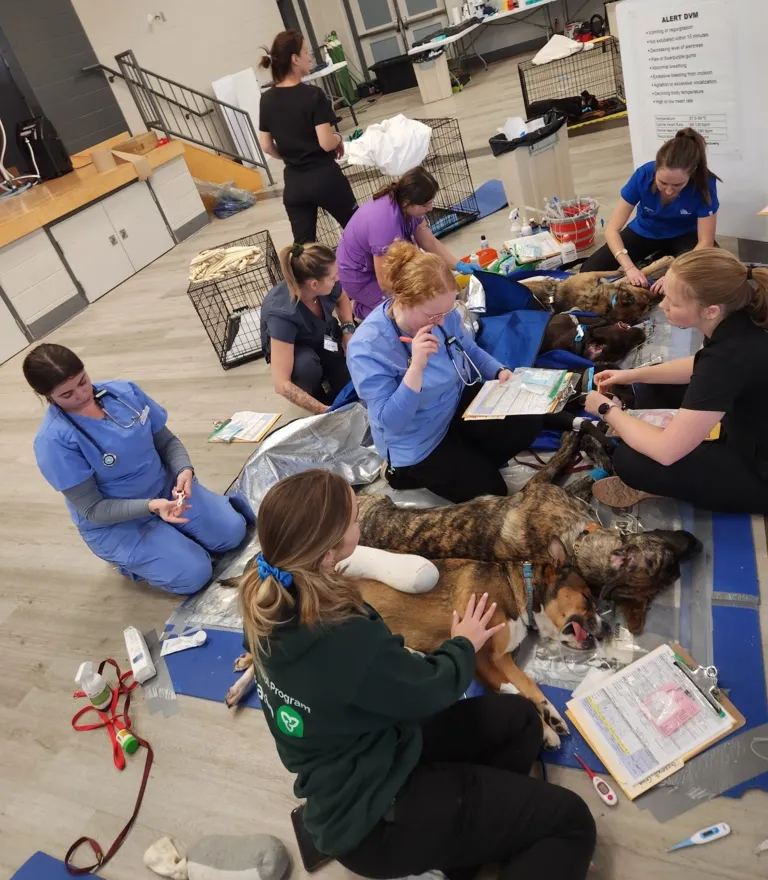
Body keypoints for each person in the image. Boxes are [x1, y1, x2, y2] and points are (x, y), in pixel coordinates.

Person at [240, 468, 596, 879]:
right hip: (376, 818)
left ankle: (465, 846)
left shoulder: (269, 601)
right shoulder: (340, 636)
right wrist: (462, 643)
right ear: (328, 551)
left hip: (377, 748)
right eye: (355, 519)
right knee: (571, 823)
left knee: (519, 723)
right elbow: (431, 689)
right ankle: (450, 832)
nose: (361, 523)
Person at [25, 344, 249, 594]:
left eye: (83, 381)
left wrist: (184, 470)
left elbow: (167, 442)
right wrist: (150, 506)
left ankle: (174, 537)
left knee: (233, 533)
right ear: (46, 395)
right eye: (67, 394)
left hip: (166, 490)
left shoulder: (123, 393)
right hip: (118, 521)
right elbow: (93, 509)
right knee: (195, 575)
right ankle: (133, 561)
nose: (82, 394)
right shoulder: (53, 442)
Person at [346, 242, 543, 503]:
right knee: (493, 493)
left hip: (454, 404)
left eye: (445, 312)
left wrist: (499, 371)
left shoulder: (442, 313)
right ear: (403, 301)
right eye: (432, 315)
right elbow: (391, 422)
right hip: (419, 438)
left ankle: (466, 458)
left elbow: (468, 348)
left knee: (529, 418)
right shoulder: (368, 347)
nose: (440, 321)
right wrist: (416, 368)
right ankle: (405, 473)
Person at [585, 249, 768, 514]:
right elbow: (701, 365)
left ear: (710, 311)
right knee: (651, 386)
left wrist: (606, 410)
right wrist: (632, 374)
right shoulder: (742, 317)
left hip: (759, 471)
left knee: (629, 460)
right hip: (751, 423)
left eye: (674, 302)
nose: (663, 306)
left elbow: (666, 450)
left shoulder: (728, 358)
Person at [580, 127, 720, 294]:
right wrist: (629, 267)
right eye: (663, 183)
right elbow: (612, 230)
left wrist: (674, 274)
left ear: (692, 174)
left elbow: (705, 241)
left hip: (685, 235)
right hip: (646, 230)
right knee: (588, 271)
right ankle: (656, 259)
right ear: (655, 170)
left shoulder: (705, 184)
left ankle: (661, 260)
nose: (669, 190)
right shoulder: (643, 175)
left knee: (709, 276)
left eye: (678, 185)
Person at [259, 30, 358, 244]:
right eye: (305, 52)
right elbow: (326, 143)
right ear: (295, 59)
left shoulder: (266, 100)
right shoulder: (313, 95)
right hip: (325, 178)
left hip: (294, 184)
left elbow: (266, 146)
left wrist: (291, 155)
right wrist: (338, 139)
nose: (310, 57)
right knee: (358, 230)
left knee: (304, 249)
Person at [336, 166, 461, 320]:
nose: (430, 208)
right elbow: (385, 281)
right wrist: (413, 296)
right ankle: (362, 310)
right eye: (425, 204)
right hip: (359, 277)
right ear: (407, 202)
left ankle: (371, 305)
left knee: (426, 292)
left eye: (431, 202)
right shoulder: (385, 223)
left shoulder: (407, 205)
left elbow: (430, 242)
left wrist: (458, 265)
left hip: (376, 267)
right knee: (405, 313)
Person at [262, 243, 355, 416]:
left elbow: (342, 299)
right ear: (314, 284)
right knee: (306, 367)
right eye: (333, 277)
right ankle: (316, 393)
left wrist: (347, 330)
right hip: (295, 351)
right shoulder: (282, 315)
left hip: (324, 335)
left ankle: (330, 375)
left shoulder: (328, 286)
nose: (337, 279)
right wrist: (325, 411)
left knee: (348, 376)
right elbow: (281, 384)